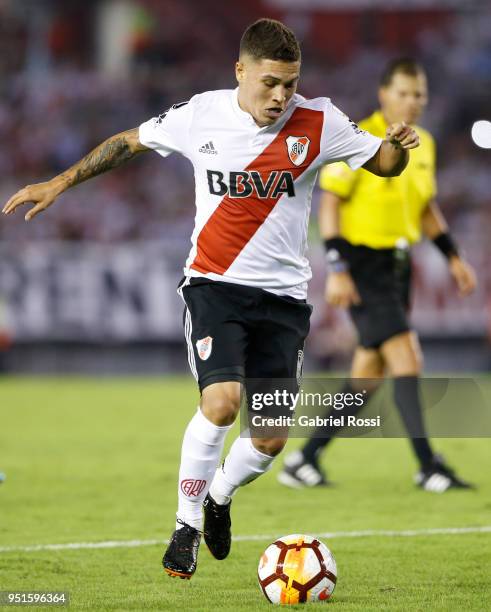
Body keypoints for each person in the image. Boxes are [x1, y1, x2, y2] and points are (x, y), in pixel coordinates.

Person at [2, 20, 419, 578]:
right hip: (213, 287)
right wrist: (60, 181)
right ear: (240, 70)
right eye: (270, 82)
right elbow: (129, 142)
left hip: (283, 301)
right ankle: (185, 524)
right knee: (221, 402)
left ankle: (220, 496)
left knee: (270, 436)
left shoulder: (320, 121)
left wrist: (398, 146)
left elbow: (385, 166)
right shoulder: (201, 113)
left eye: (290, 84)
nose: (280, 96)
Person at [278, 58, 476, 494]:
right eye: (403, 92)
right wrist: (338, 269)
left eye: (419, 94)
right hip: (363, 262)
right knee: (407, 357)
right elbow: (329, 206)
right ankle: (428, 466)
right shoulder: (357, 137)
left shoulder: (424, 143)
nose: (412, 101)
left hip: (399, 266)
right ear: (383, 94)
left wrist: (453, 257)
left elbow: (424, 208)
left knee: (369, 373)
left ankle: (304, 460)